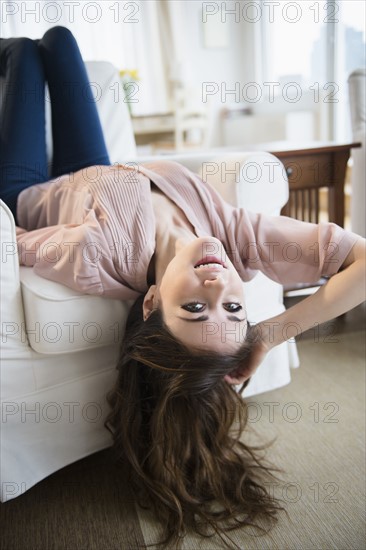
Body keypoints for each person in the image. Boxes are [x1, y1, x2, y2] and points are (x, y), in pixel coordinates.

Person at [1, 26, 365, 548]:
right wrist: (269, 332)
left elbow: (13, 240)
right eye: (234, 308)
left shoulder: (94, 254)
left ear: (151, 302)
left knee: (23, 56)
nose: (218, 284)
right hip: (99, 169)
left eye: (195, 307)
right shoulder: (238, 239)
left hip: (29, 187)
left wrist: (19, 211)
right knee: (60, 40)